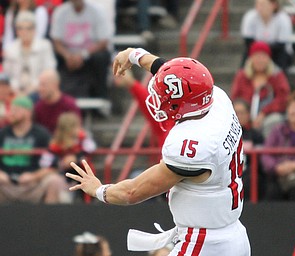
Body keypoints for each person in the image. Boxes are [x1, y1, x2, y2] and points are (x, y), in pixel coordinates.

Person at [66, 47, 251, 255]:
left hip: (204, 242)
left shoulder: (192, 144)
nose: (160, 100)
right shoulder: (216, 100)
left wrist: (99, 190)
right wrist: (136, 55)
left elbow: (132, 192)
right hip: (233, 234)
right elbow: (177, 74)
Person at [0, 95, 69, 204]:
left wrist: (34, 176)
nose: (11, 113)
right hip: (6, 185)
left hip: (33, 185)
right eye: (10, 110)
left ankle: (49, 220)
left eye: (16, 110)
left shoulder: (42, 134)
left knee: (55, 181)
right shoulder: (3, 133)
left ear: (28, 112)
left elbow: (53, 165)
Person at [50, 0, 111, 99]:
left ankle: (101, 97)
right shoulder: (60, 12)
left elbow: (104, 41)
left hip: (89, 55)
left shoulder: (97, 11)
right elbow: (56, 41)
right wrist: (67, 56)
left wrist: (83, 55)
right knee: (52, 54)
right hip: (67, 56)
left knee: (102, 56)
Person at [231, 41, 290, 138]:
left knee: (274, 121)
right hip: (245, 115)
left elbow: (283, 99)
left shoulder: (277, 75)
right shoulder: (242, 76)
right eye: (256, 56)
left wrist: (264, 113)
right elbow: (235, 98)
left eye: (263, 56)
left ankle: (269, 150)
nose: (260, 60)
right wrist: (246, 115)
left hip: (268, 116)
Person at [2, 10, 56, 98]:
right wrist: (16, 90)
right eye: (20, 28)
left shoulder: (45, 46)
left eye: (28, 28)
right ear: (16, 31)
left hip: (40, 90)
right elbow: (7, 75)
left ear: (34, 30)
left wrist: (34, 87)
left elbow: (50, 70)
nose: (24, 31)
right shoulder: (10, 48)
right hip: (15, 91)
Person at [240, 0, 293, 73]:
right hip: (256, 51)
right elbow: (248, 42)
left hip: (278, 52)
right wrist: (261, 52)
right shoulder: (250, 17)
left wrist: (264, 50)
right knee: (246, 59)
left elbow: (281, 45)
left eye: (263, 4)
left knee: (282, 58)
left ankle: (279, 79)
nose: (259, 8)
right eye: (257, 4)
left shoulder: (283, 18)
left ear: (274, 5)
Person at [233, 98, 265, 200]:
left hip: (248, 174)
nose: (239, 116)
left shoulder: (256, 135)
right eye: (236, 112)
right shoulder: (223, 135)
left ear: (248, 115)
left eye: (242, 113)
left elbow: (261, 160)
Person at [34, 69, 81, 133]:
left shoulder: (69, 105)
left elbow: (77, 130)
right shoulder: (38, 107)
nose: (40, 88)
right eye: (40, 85)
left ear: (55, 85)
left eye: (43, 85)